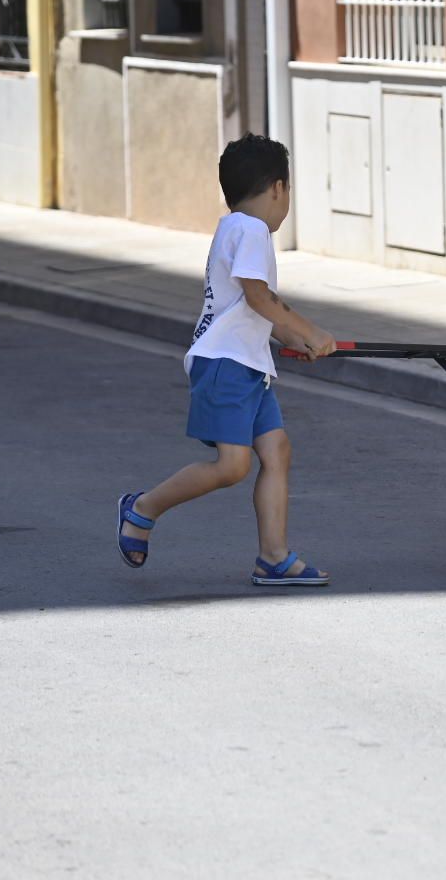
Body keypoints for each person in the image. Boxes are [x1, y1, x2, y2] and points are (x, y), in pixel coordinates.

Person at [115, 134, 337, 585]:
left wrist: (291, 337)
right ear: (278, 188)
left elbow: (251, 304)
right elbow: (257, 296)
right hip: (225, 363)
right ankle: (141, 509)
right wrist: (308, 329)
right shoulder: (252, 230)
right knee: (233, 466)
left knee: (277, 451)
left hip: (245, 364)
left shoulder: (233, 226)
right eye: (288, 190)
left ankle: (273, 557)